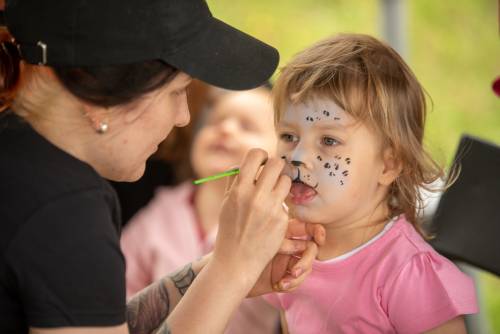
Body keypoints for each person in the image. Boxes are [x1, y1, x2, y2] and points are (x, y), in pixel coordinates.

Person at [0, 1, 325, 333]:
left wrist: (217, 269)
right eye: (177, 91)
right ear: (104, 99)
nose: (184, 117)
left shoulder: (22, 162)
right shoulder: (64, 215)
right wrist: (232, 269)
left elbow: (102, 321)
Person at [263, 33, 478, 333]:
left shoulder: (408, 273)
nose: (297, 158)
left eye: (328, 140)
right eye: (288, 136)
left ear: (388, 164)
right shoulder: (288, 249)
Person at [122, 85, 281, 334]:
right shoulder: (160, 213)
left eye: (247, 126)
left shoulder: (277, 223)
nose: (225, 129)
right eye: (215, 121)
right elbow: (120, 294)